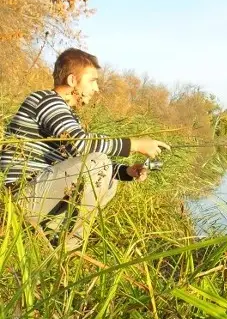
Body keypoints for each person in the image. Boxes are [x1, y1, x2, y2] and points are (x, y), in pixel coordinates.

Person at [0, 48, 170, 251]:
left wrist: (126, 172)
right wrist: (136, 144)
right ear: (72, 81)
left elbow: (79, 163)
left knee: (108, 176)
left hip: (40, 195)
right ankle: (69, 250)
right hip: (19, 200)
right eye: (92, 81)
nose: (96, 88)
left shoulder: (66, 116)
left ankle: (50, 239)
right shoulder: (46, 101)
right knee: (99, 162)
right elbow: (81, 145)